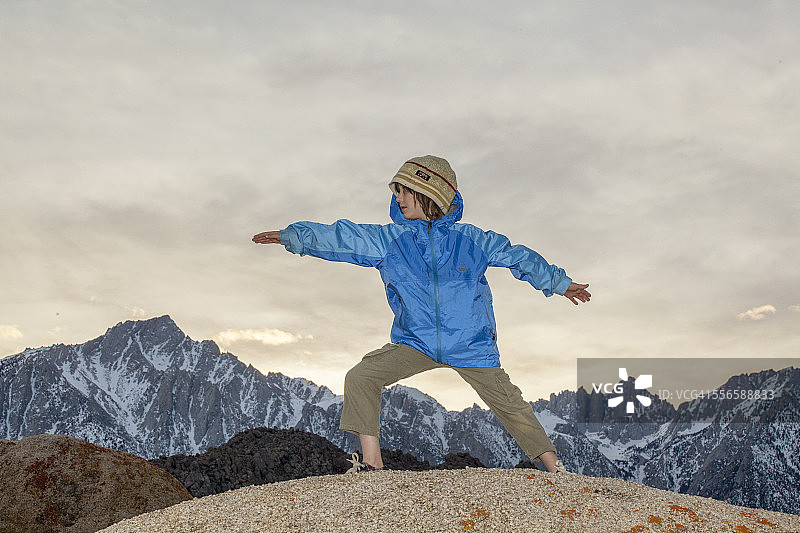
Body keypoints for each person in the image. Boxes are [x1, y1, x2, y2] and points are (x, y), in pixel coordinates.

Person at [252, 155, 590, 473]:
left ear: (431, 194)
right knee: (361, 377)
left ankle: (555, 469)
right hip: (416, 342)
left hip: (470, 344)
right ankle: (372, 464)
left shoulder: (471, 240)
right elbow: (343, 238)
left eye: (405, 191)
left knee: (511, 405)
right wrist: (293, 236)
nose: (398, 198)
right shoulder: (390, 240)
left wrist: (560, 284)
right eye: (396, 191)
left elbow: (520, 257)